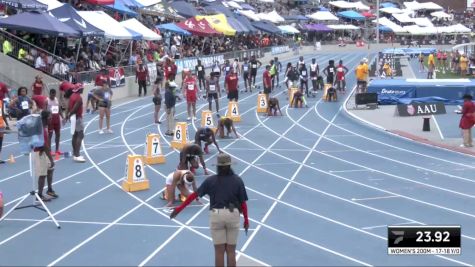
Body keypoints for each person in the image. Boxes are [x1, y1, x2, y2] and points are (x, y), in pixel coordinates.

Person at [170, 153, 249, 267]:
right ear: (229, 166)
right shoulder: (238, 180)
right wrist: (246, 220)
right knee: (231, 251)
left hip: (217, 215)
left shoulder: (210, 180)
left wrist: (179, 208)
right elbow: (243, 203)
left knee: (219, 251)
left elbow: (194, 195)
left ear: (218, 166)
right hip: (233, 215)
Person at [35, 110, 57, 202]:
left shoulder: (44, 127)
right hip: (41, 153)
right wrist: (51, 159)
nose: (51, 119)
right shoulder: (41, 129)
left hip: (45, 152)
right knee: (43, 174)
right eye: (49, 117)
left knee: (50, 170)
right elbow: (44, 145)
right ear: (45, 118)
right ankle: (39, 195)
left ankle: (49, 190)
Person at [65, 84, 86, 162]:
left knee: (75, 135)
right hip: (77, 118)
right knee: (80, 135)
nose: (83, 89)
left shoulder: (72, 95)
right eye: (82, 88)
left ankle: (74, 152)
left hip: (72, 118)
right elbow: (74, 109)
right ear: (79, 89)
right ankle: (77, 155)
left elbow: (68, 107)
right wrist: (68, 115)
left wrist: (67, 116)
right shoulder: (79, 98)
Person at [46, 89, 63, 155]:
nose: (53, 96)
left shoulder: (56, 99)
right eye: (52, 95)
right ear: (50, 94)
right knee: (50, 135)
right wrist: (46, 119)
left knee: (58, 134)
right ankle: (49, 150)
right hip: (50, 120)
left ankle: (57, 150)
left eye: (54, 95)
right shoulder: (47, 101)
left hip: (57, 119)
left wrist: (63, 117)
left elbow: (59, 109)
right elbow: (44, 111)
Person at [0, 96, 10, 163]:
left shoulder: (1, 102)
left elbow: (3, 114)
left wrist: (7, 124)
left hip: (1, 125)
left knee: (0, 142)